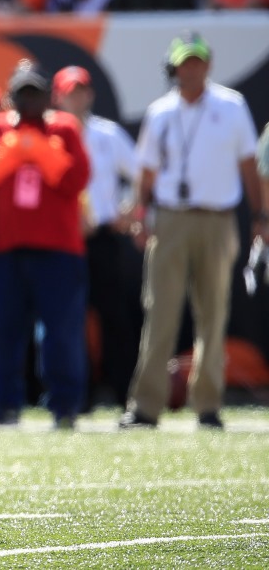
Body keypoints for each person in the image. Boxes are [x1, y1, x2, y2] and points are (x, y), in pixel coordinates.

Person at [122, 33, 264, 430]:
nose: (192, 69)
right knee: (160, 311)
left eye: (198, 62)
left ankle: (208, 404)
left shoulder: (231, 106)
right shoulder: (161, 112)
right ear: (173, 67)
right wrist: (140, 213)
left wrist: (260, 215)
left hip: (218, 218)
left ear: (209, 65)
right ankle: (145, 406)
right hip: (170, 218)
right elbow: (147, 171)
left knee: (214, 312)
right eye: (185, 62)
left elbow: (249, 164)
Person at [0, 61, 91, 429]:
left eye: (35, 93)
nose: (28, 101)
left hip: (58, 250)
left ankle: (65, 407)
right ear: (9, 97)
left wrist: (43, 152)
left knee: (61, 332)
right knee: (1, 330)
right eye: (22, 93)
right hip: (4, 250)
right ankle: (1, 406)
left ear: (49, 97)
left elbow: (78, 178)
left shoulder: (64, 127)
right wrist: (11, 154)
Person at [51, 66, 141, 407]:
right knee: (66, 319)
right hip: (62, 239)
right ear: (58, 97)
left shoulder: (107, 134)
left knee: (113, 316)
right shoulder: (49, 134)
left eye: (81, 91)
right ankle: (76, 396)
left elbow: (140, 173)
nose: (76, 98)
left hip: (102, 238)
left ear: (90, 94)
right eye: (69, 92)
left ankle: (124, 394)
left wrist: (128, 209)